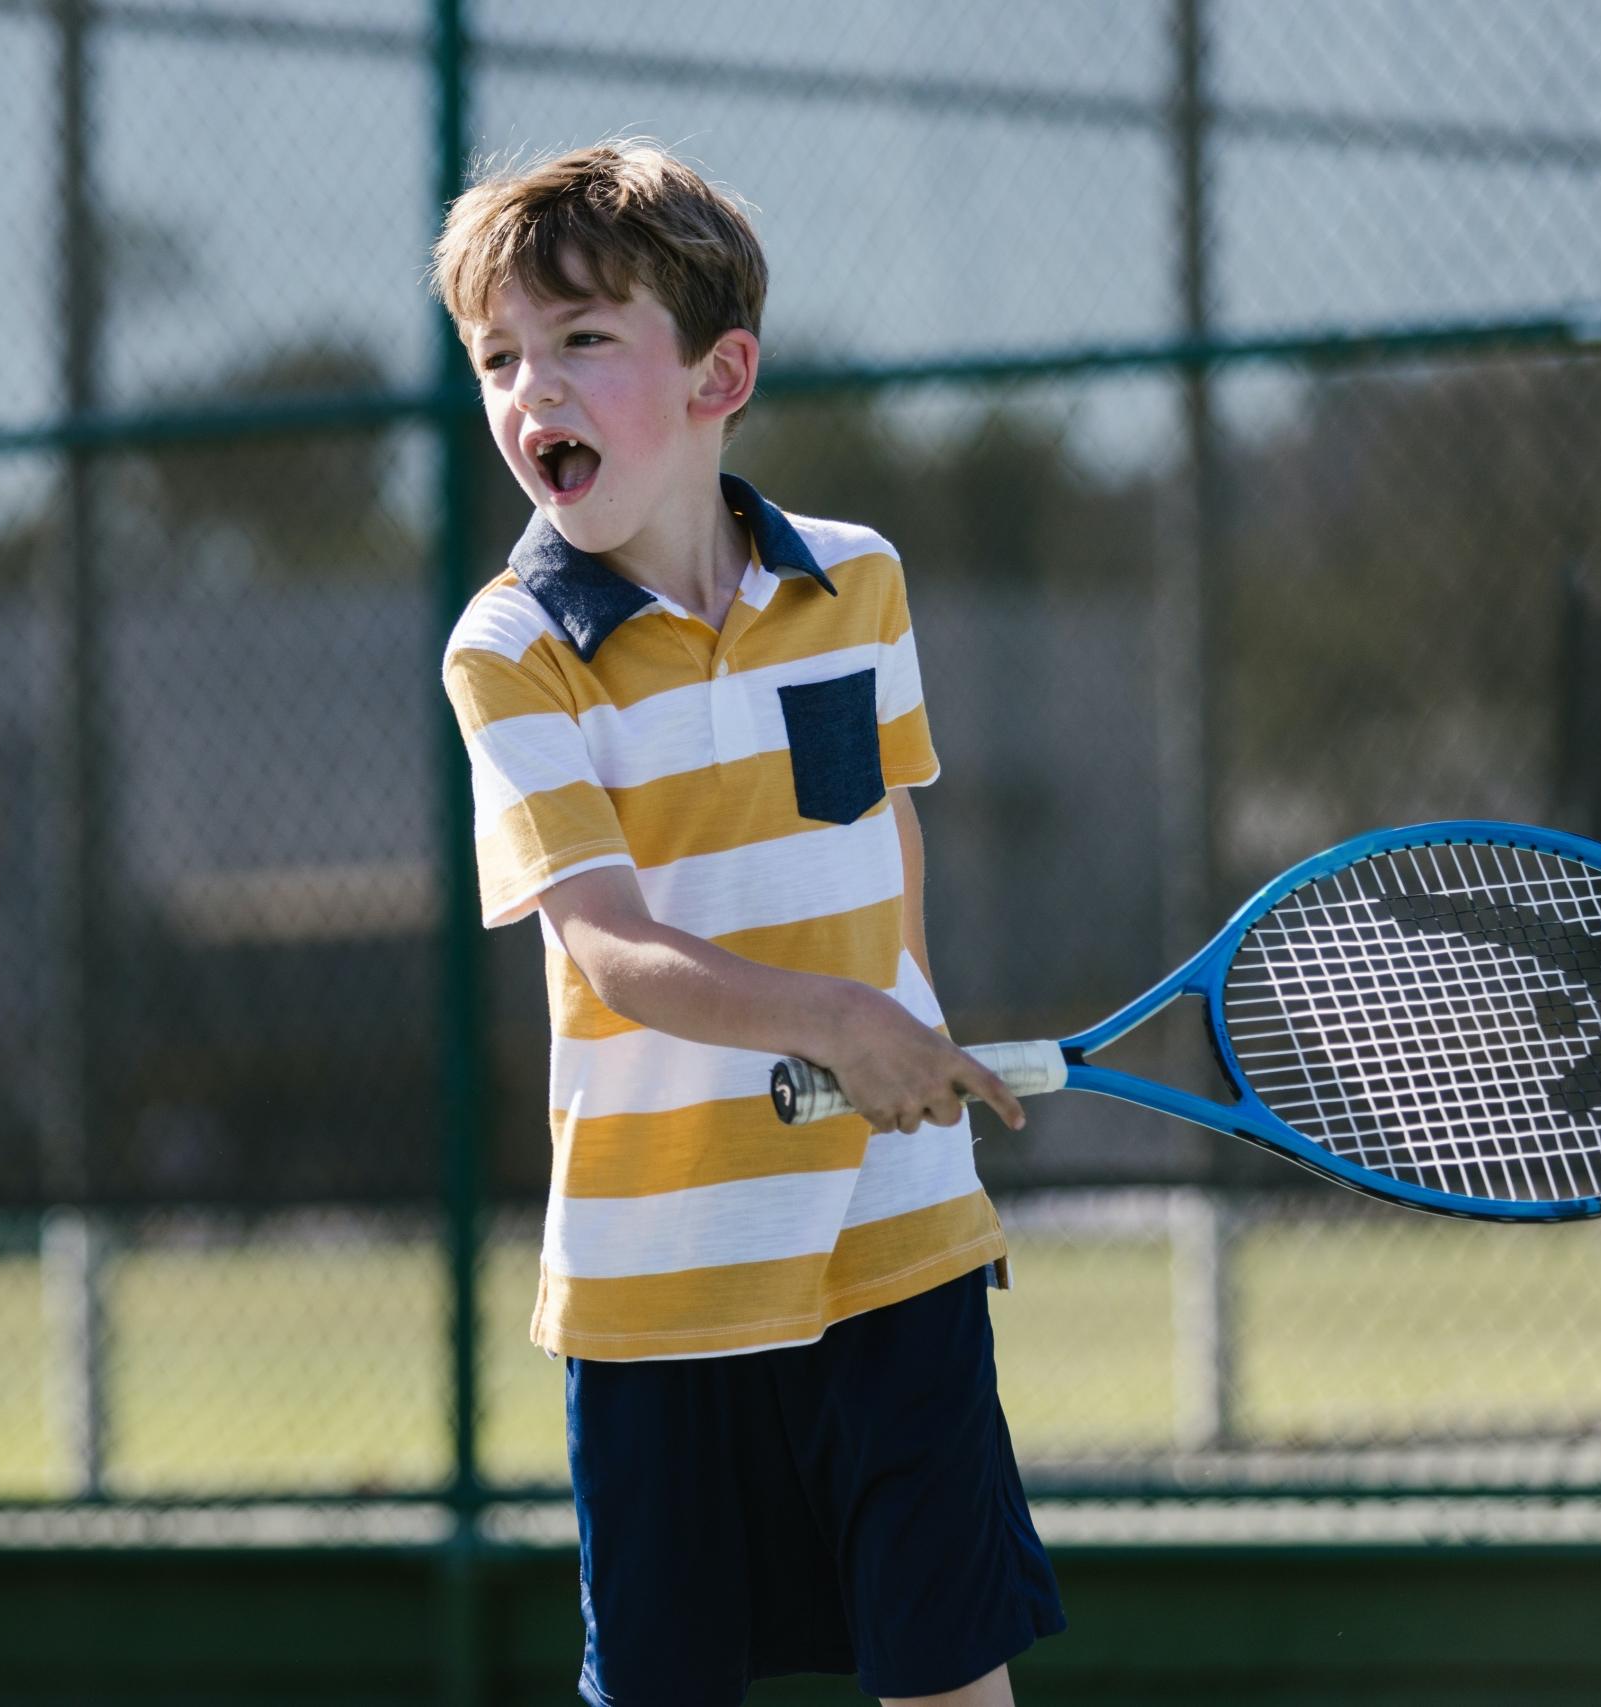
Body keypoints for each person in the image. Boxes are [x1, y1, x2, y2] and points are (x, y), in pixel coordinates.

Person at [434, 139, 1065, 1707]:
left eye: (584, 341)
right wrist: (836, 1026)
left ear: (723, 374)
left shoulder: (859, 583)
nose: (535, 393)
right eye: (502, 356)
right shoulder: (508, 654)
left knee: (948, 1672)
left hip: (898, 1239)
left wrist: (898, 1027)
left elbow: (882, 839)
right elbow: (605, 948)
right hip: (666, 1282)